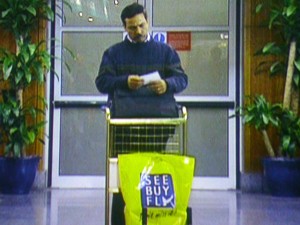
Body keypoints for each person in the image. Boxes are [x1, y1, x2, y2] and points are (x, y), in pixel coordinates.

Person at [95, 3, 188, 225]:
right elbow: (102, 82)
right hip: (123, 127)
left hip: (157, 127)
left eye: (141, 26)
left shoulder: (165, 52)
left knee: (154, 180)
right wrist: (124, 82)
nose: (138, 31)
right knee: (123, 182)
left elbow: (182, 79)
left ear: (147, 22)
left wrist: (166, 84)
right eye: (132, 28)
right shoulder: (113, 53)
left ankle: (153, 220)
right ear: (124, 28)